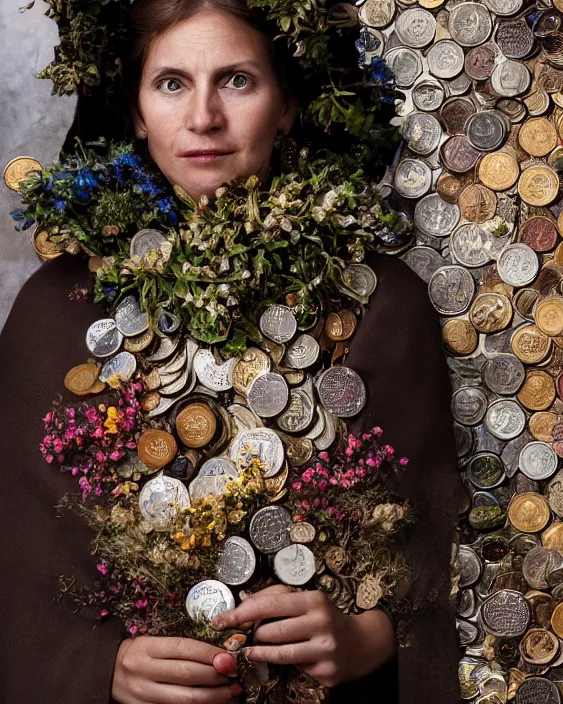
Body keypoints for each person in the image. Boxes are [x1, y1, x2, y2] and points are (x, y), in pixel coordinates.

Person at [0, 1, 461, 703]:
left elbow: (441, 562)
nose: (204, 117)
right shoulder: (53, 313)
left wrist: (368, 639)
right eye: (172, 83)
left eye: (238, 81)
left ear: (288, 105)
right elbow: (18, 575)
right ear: (135, 110)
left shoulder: (381, 305)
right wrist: (102, 670)